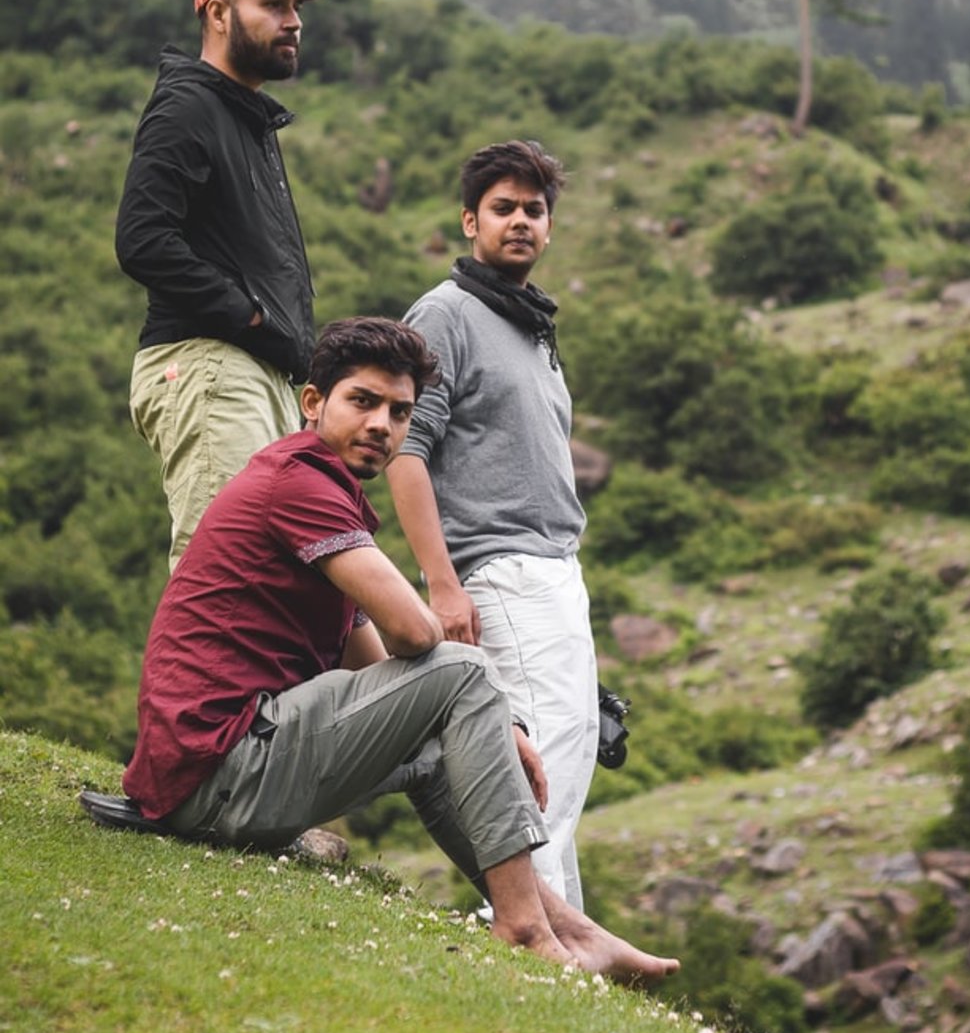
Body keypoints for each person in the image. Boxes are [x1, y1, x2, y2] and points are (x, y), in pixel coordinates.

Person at [119, 316, 677, 983]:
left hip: (222, 775)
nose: (383, 423)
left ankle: (565, 923)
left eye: (400, 411)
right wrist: (498, 713)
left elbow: (383, 669)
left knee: (442, 728)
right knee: (464, 667)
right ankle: (525, 926)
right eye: (363, 401)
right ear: (313, 402)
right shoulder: (299, 483)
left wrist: (487, 729)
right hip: (217, 774)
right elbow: (418, 637)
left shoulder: (328, 498)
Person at [385, 140, 598, 909]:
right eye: (503, 208)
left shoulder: (530, 323)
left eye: (534, 210)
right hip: (499, 569)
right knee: (539, 761)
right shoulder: (448, 313)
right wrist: (441, 584)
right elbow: (406, 450)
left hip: (554, 569)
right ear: (469, 220)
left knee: (567, 759)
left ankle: (564, 942)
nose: (519, 221)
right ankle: (517, 923)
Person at [115, 0, 331, 569]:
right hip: (210, 367)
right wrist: (252, 317)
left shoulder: (245, 119)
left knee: (279, 578)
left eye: (295, 5)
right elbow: (142, 241)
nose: (293, 20)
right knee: (227, 570)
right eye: (272, 3)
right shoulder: (189, 106)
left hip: (257, 375)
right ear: (217, 12)